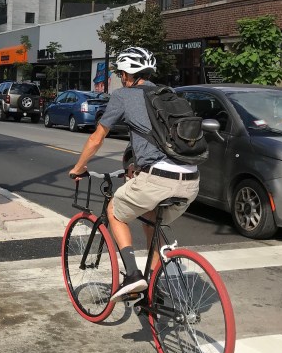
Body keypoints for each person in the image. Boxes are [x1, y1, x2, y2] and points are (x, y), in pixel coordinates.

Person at [69, 47, 200, 302]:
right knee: (150, 218)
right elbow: (160, 139)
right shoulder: (167, 95)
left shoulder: (124, 96)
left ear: (127, 74)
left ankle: (132, 276)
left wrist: (79, 167)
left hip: (159, 178)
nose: (121, 78)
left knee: (115, 212)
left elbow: (97, 138)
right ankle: (152, 285)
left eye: (121, 73)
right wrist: (137, 166)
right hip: (191, 179)